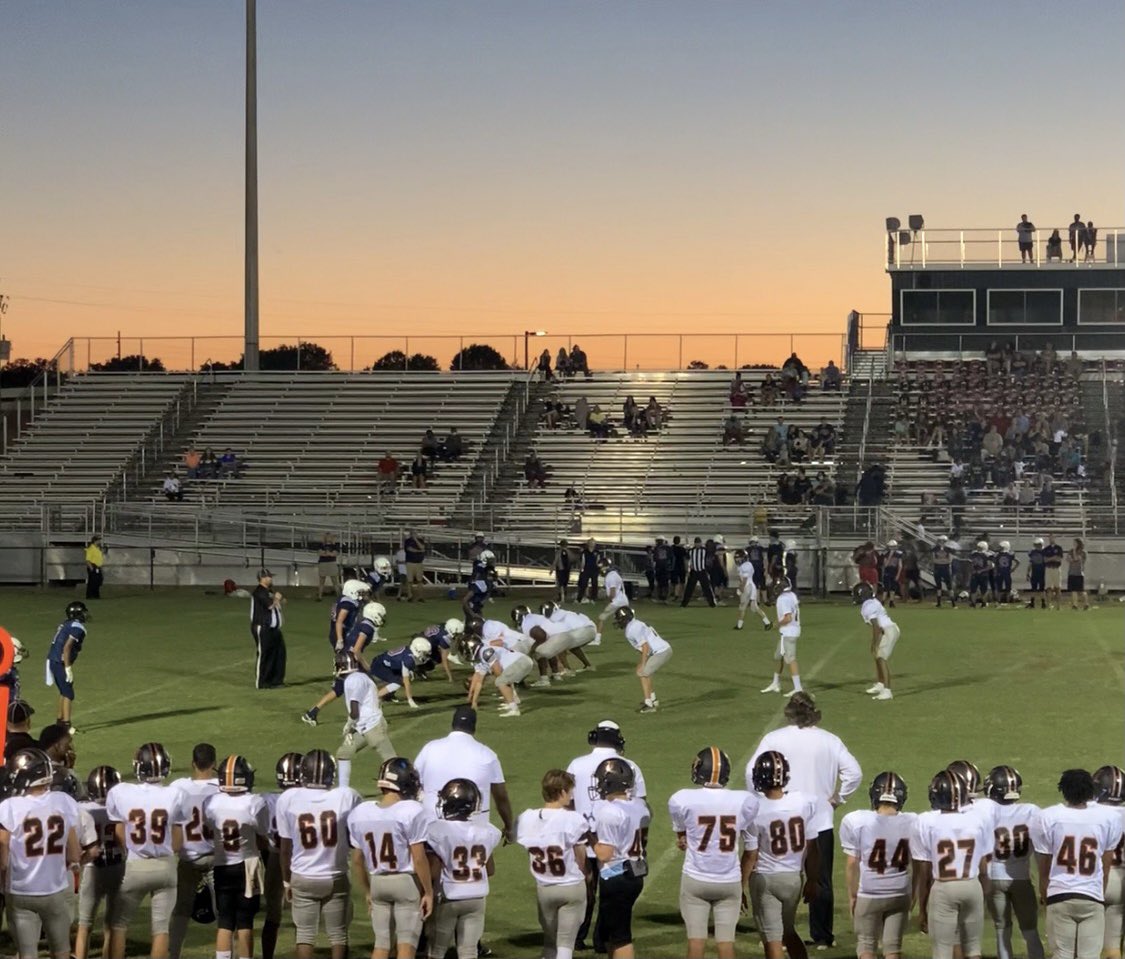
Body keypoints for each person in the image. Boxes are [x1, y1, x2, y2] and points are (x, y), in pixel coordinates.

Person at [750, 692, 862, 950]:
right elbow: (854, 773)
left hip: (779, 819)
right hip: (819, 820)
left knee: (775, 874)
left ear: (789, 712)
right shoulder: (829, 740)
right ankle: (822, 936)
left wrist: (762, 801)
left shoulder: (774, 738)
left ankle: (775, 934)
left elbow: (750, 772)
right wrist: (837, 799)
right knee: (820, 878)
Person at [668, 747, 759, 959]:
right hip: (729, 880)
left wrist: (685, 839)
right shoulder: (744, 801)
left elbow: (682, 834)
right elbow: (745, 836)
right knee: (726, 945)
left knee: (695, 943)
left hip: (696, 878)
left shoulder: (682, 799)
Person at [567, 721, 647, 953]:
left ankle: (577, 937)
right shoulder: (630, 766)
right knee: (610, 889)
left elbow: (568, 801)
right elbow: (640, 804)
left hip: (587, 840)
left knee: (586, 890)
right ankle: (604, 939)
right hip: (623, 846)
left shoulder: (576, 764)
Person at [275, 749, 362, 959]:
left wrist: (286, 881)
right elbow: (356, 832)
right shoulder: (346, 796)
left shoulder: (288, 798)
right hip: (335, 874)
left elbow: (285, 849)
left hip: (302, 875)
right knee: (339, 935)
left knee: (304, 934)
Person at [347, 757, 433, 959]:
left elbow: (357, 859)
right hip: (405, 882)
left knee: (381, 944)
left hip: (378, 882)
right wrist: (428, 891)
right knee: (406, 944)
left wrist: (368, 891)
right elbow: (419, 857)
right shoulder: (412, 811)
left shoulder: (361, 812)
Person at [0, 747, 82, 959]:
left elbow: (3, 850)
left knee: (27, 954)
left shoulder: (10, 807)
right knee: (61, 951)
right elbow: (74, 854)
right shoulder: (63, 802)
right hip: (54, 890)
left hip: (20, 890)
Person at [1031, 769, 1123, 959]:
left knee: (1062, 956)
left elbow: (1044, 864)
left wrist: (1044, 893)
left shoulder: (1048, 817)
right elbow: (1105, 864)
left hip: (1059, 894)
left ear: (1063, 790)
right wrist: (1099, 890)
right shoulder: (1108, 818)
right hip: (1092, 895)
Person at [105, 742, 185, 959]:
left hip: (136, 864)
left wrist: (132, 849)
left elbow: (119, 831)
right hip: (166, 865)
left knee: (119, 925)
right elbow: (178, 840)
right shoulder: (176, 794)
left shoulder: (120, 792)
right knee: (161, 928)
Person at [745, 751, 820, 959]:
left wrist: (739, 885)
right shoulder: (803, 802)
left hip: (767, 878)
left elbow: (751, 854)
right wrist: (813, 879)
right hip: (794, 879)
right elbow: (813, 847)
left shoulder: (755, 808)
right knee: (788, 932)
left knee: (772, 941)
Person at [912, 770, 992, 959]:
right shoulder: (978, 818)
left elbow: (924, 872)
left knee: (942, 951)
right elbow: (984, 864)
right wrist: (984, 893)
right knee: (973, 949)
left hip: (944, 887)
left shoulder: (927, 821)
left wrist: (921, 908)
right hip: (972, 885)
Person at [839, 772, 915, 959]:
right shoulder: (913, 821)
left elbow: (851, 864)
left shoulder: (857, 821)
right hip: (900, 892)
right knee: (893, 949)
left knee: (866, 947)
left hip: (870, 893)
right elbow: (919, 864)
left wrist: (852, 896)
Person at [425, 779, 503, 959]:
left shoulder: (438, 830)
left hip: (449, 896)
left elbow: (434, 872)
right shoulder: (486, 830)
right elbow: (490, 870)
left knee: (436, 951)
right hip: (477, 897)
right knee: (469, 952)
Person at [516, 769, 589, 959]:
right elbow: (580, 857)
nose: (572, 796)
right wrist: (585, 875)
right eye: (570, 791)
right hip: (571, 885)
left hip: (544, 887)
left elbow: (521, 842)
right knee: (565, 945)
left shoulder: (527, 818)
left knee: (550, 944)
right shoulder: (573, 819)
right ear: (562, 792)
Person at [413, 706, 514, 841]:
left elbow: (413, 782)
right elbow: (501, 797)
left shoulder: (429, 748)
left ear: (453, 724)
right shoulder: (487, 754)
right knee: (482, 858)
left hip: (432, 825)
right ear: (474, 727)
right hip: (473, 830)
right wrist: (509, 827)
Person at [203, 755, 269, 959]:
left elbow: (209, 827)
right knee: (245, 921)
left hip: (222, 866)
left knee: (225, 921)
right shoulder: (254, 803)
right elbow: (263, 832)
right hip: (247, 866)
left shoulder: (211, 802)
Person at [981, 766, 1045, 959]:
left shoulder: (986, 810)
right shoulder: (1031, 811)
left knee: (1002, 928)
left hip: (993, 876)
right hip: (1021, 877)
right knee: (1030, 929)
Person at [590, 758, 651, 959]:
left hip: (617, 874)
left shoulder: (609, 811)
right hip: (634, 871)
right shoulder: (640, 805)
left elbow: (604, 854)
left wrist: (588, 837)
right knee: (608, 934)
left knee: (620, 936)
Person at [168, 743, 219, 959]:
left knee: (180, 911)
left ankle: (173, 955)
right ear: (214, 764)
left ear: (193, 763)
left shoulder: (178, 787)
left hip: (188, 857)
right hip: (217, 858)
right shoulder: (220, 786)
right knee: (225, 915)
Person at [76, 764, 125, 959]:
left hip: (91, 869)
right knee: (112, 925)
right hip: (117, 867)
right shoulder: (122, 808)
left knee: (84, 924)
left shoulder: (82, 809)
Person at [334, 651, 397, 788]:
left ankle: (412, 788)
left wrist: (349, 725)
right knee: (344, 753)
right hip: (363, 726)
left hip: (373, 726)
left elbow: (355, 710)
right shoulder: (359, 677)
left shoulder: (353, 680)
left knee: (392, 761)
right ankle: (342, 789)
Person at [262, 753, 303, 959]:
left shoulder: (267, 799)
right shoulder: (307, 800)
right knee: (301, 917)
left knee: (272, 914)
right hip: (300, 861)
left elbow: (257, 831)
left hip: (274, 857)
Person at [613, 606, 672, 714]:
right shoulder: (635, 624)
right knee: (642, 671)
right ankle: (653, 699)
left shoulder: (632, 629)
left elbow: (645, 647)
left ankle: (649, 704)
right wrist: (642, 664)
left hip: (661, 651)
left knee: (643, 673)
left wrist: (643, 664)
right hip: (661, 650)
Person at [46, 600, 87, 732]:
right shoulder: (77, 628)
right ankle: (66, 724)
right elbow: (67, 647)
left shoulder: (66, 624)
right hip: (60, 661)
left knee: (64, 691)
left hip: (53, 659)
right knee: (68, 693)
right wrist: (68, 667)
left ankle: (60, 721)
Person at [855, 582, 899, 701]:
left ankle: (887, 691)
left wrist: (874, 643)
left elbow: (877, 627)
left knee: (881, 657)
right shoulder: (871, 602)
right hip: (887, 630)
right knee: (877, 657)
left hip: (888, 631)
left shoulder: (868, 606)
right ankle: (881, 684)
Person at [760, 578, 802, 696]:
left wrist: (774, 624)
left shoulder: (783, 599)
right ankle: (775, 683)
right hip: (788, 632)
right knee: (778, 657)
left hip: (789, 632)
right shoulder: (791, 595)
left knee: (790, 659)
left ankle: (798, 688)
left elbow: (788, 618)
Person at [250, 568, 286, 689]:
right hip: (262, 627)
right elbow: (270, 605)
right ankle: (262, 682)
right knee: (264, 654)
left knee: (279, 653)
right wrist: (276, 598)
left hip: (273, 629)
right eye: (269, 577)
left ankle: (276, 680)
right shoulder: (259, 592)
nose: (271, 579)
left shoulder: (268, 591)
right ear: (263, 578)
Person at [733, 548, 771, 630]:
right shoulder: (741, 566)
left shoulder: (747, 565)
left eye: (739, 557)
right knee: (754, 607)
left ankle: (739, 626)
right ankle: (767, 622)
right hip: (749, 586)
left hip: (748, 586)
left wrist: (741, 588)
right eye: (736, 558)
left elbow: (745, 579)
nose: (737, 559)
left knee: (742, 606)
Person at [596, 557, 629, 641]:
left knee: (601, 618)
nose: (600, 570)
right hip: (623, 600)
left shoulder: (610, 576)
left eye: (601, 568)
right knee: (626, 620)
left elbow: (612, 593)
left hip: (617, 602)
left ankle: (597, 640)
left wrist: (607, 598)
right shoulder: (614, 574)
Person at [681, 537, 717, 608]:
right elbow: (686, 560)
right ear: (695, 543)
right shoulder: (691, 551)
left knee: (706, 588)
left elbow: (710, 557)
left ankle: (712, 603)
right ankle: (684, 603)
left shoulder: (705, 550)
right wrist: (687, 570)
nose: (698, 544)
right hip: (694, 571)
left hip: (702, 571)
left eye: (699, 543)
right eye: (696, 543)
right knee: (689, 588)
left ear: (701, 543)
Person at [403, 530, 426, 602]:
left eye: (415, 533)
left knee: (420, 580)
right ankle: (410, 596)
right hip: (410, 563)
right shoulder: (408, 541)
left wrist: (416, 540)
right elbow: (410, 549)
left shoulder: (420, 540)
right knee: (410, 580)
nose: (414, 534)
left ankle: (420, 597)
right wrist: (419, 551)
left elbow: (422, 547)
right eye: (413, 533)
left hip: (419, 563)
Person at [1066, 538, 1090, 610]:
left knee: (1081, 590)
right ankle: (1075, 605)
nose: (1074, 545)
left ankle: (1086, 603)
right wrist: (1071, 558)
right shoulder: (1070, 551)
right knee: (1073, 590)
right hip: (1071, 573)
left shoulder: (1082, 552)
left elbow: (1077, 559)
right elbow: (1068, 559)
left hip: (1079, 573)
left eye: (1075, 543)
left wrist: (1074, 552)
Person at [316, 532, 340, 600]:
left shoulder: (334, 545)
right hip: (323, 564)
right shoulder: (321, 545)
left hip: (332, 563)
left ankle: (339, 597)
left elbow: (334, 554)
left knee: (335, 581)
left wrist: (327, 553)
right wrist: (329, 553)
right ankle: (319, 597)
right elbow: (320, 553)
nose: (328, 538)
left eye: (330, 536)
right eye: (327, 536)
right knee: (321, 581)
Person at [1043, 534, 1065, 610]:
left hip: (1056, 568)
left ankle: (1058, 606)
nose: (1051, 539)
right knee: (1048, 587)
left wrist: (1050, 558)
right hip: (1048, 568)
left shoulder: (1059, 548)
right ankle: (1049, 605)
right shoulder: (1046, 549)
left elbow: (1059, 559)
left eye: (1052, 538)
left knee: (1057, 587)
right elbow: (1045, 560)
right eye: (1050, 538)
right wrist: (1053, 558)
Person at [576, 539, 599, 605]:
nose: (592, 544)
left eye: (593, 543)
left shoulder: (597, 552)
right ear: (588, 544)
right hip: (586, 570)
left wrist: (599, 567)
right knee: (583, 584)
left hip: (594, 570)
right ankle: (579, 599)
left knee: (594, 584)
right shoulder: (584, 552)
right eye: (591, 543)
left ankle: (593, 599)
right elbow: (583, 561)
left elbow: (598, 561)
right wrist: (581, 569)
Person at [1026, 537, 1047, 609]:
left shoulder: (1044, 552)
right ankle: (1032, 603)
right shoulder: (1033, 552)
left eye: (1038, 545)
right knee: (1033, 589)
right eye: (1036, 545)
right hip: (1034, 572)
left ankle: (1043, 603)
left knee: (1042, 589)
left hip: (1042, 572)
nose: (1037, 546)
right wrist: (1028, 572)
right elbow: (1030, 563)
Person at [85, 534, 105, 599]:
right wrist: (92, 569)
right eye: (98, 540)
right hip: (93, 566)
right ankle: (90, 595)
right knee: (92, 581)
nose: (99, 542)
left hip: (98, 566)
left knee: (98, 581)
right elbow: (88, 560)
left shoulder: (98, 548)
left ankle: (96, 594)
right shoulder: (91, 549)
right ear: (95, 541)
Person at [554, 539, 572, 603]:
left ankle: (562, 598)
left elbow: (555, 561)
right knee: (565, 584)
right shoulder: (569, 552)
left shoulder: (558, 552)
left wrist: (551, 568)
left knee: (561, 584)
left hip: (561, 570)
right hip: (567, 570)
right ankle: (564, 596)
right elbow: (571, 559)